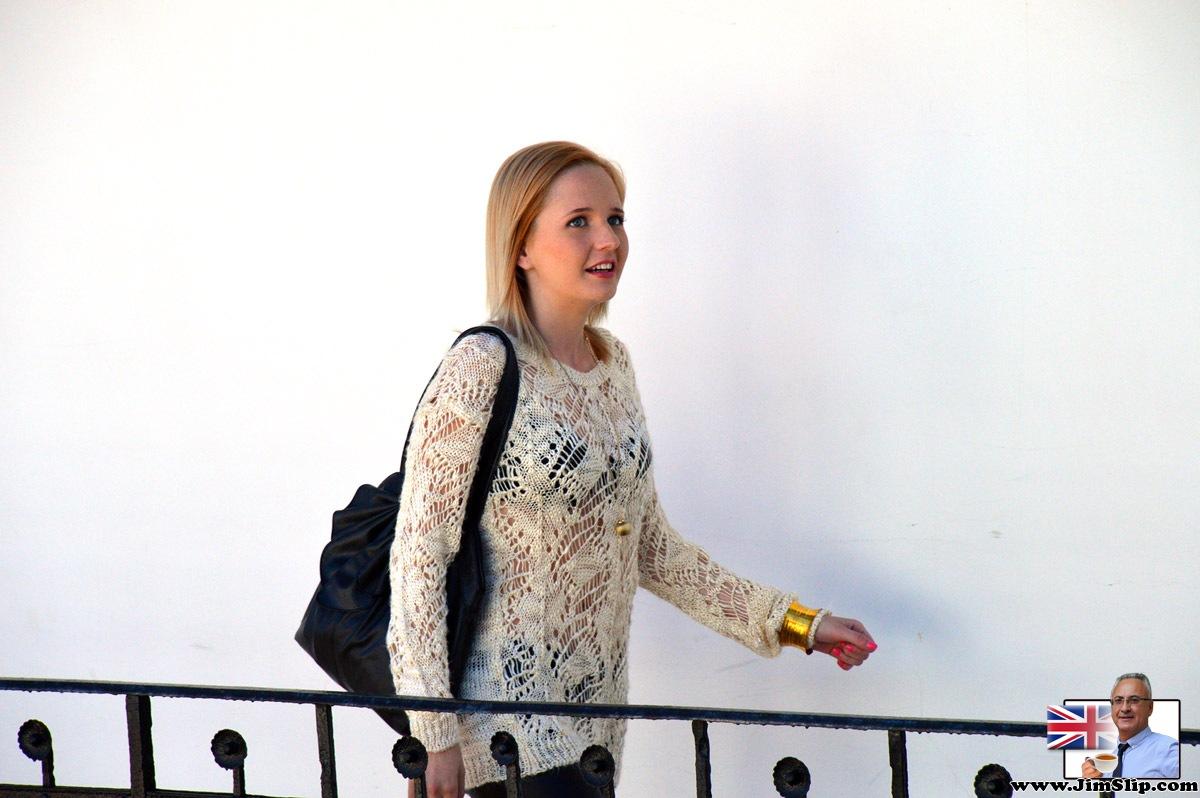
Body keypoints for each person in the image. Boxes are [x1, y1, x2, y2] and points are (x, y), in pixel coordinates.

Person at [386, 141, 877, 798]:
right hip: (504, 724)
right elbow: (419, 554)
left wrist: (799, 623)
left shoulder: (613, 366)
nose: (607, 240)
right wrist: (433, 733)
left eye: (615, 218)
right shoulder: (479, 366)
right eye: (579, 221)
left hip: (596, 722)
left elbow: (653, 549)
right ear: (522, 247)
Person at [1082, 673, 1179, 779]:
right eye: (1118, 700)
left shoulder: (1169, 751)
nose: (1125, 708)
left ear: (1150, 707)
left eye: (1134, 700)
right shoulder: (1108, 763)